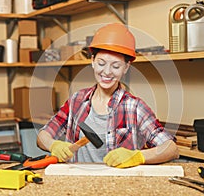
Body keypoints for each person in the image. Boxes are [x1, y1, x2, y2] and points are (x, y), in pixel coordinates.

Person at [37, 23, 179, 168]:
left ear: (126, 67)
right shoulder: (77, 101)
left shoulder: (134, 107)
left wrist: (138, 156)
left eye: (116, 66)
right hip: (78, 183)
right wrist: (53, 144)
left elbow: (171, 148)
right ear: (92, 61)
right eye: (101, 63)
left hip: (118, 186)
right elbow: (43, 136)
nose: (107, 72)